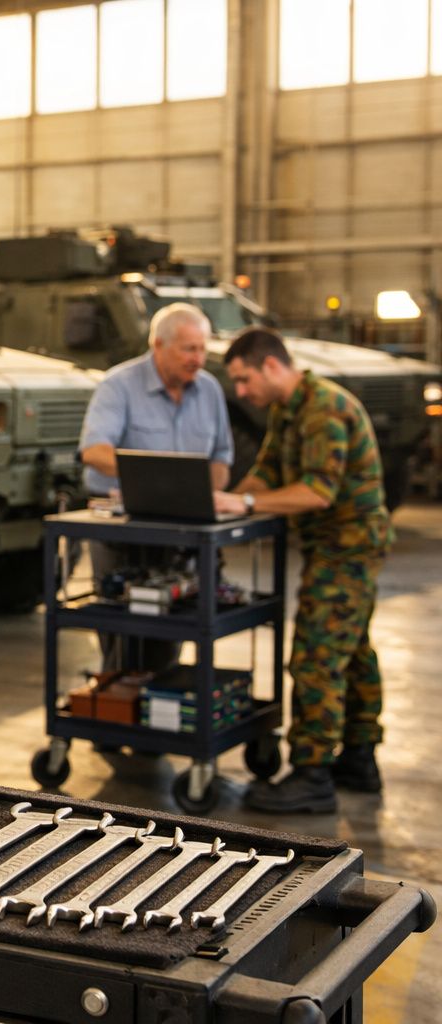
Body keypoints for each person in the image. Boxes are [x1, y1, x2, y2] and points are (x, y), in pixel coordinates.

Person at [214, 327, 393, 813]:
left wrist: (246, 501)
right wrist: (225, 505)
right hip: (334, 546)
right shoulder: (289, 411)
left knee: (315, 656)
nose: (242, 392)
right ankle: (358, 759)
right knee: (351, 652)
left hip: (347, 548)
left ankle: (312, 774)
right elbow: (267, 472)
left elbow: (317, 491)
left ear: (272, 365)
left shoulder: (324, 409)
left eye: (245, 379)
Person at [79, 302, 234, 672]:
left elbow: (221, 457)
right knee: (122, 634)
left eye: (202, 349)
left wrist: (208, 500)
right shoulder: (119, 385)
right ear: (158, 345)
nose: (198, 358)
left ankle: (160, 705)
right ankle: (116, 710)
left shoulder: (209, 390)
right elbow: (94, 451)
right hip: (123, 533)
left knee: (170, 630)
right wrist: (149, 481)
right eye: (189, 349)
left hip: (182, 533)